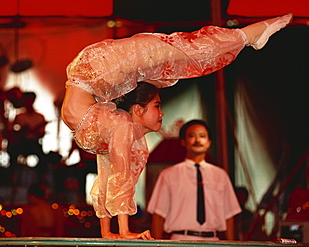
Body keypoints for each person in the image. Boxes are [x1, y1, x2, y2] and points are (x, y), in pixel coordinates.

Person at [60, 14, 292, 240]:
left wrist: (112, 232)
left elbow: (112, 176)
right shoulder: (120, 125)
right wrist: (120, 231)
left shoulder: (117, 125)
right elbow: (116, 177)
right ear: (139, 110)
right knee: (178, 53)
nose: (162, 114)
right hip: (96, 68)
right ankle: (245, 36)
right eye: (157, 106)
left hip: (95, 68)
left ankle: (245, 36)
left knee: (179, 53)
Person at [147, 120, 241, 240]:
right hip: (180, 240)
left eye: (202, 136)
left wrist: (230, 244)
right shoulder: (168, 175)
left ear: (209, 142)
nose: (197, 140)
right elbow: (158, 215)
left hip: (213, 241)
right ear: (183, 142)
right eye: (191, 136)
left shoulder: (221, 175)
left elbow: (229, 215)